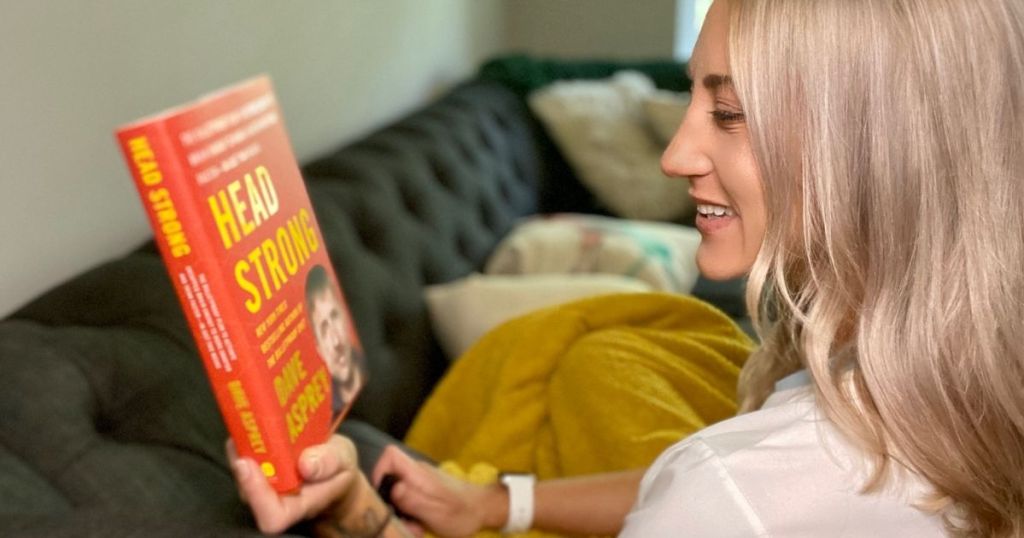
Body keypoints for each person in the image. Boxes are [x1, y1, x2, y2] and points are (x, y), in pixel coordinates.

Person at [231, 0, 1024, 536]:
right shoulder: (961, 380)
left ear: (874, 153)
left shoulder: (731, 494)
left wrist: (357, 518)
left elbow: (724, 494)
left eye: (730, 114)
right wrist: (502, 502)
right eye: (693, 102)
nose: (678, 154)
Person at [305, 264, 364, 416]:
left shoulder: (364, 364)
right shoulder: (325, 410)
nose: (336, 341)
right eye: (324, 329)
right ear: (317, 345)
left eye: (335, 316)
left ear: (345, 314)